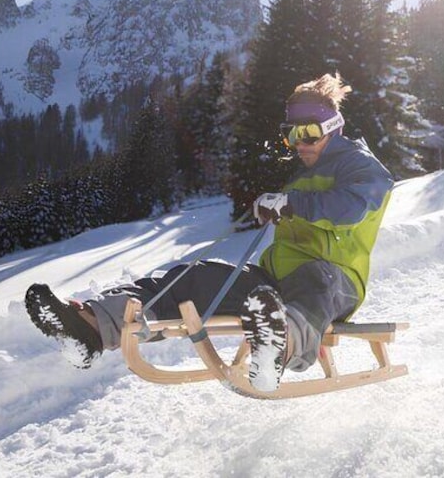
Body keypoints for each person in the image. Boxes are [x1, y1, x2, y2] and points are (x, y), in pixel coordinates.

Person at [25, 73, 394, 392]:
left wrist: (294, 204)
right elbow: (297, 202)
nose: (300, 143)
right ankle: (90, 326)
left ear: (333, 126)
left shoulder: (362, 167)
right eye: (292, 135)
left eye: (310, 132)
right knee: (195, 277)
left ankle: (277, 349)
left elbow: (353, 207)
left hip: (335, 279)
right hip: (274, 283)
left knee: (316, 282)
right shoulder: (303, 172)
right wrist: (278, 204)